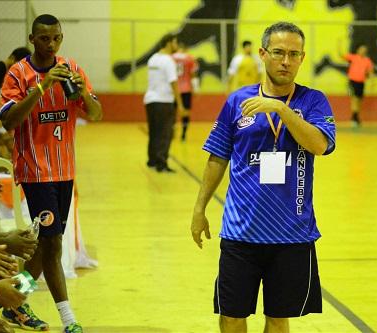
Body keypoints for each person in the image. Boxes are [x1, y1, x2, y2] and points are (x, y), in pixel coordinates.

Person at [191, 22, 336, 333]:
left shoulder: (313, 101)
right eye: (279, 52)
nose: (286, 61)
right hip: (240, 232)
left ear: (302, 58)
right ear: (262, 54)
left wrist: (281, 111)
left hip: (291, 234)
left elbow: (320, 145)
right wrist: (199, 209)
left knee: (278, 317)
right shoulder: (236, 101)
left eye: (293, 54)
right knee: (231, 314)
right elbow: (217, 158)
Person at [0, 14, 102, 333]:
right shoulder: (18, 73)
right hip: (35, 172)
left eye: (56, 38)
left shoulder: (72, 69)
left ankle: (12, 301)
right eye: (44, 38)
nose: (52, 44)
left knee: (45, 247)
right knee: (54, 245)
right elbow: (9, 121)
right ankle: (69, 321)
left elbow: (96, 114)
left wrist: (82, 93)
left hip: (64, 171)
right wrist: (42, 86)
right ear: (33, 39)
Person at [144, 33, 186, 173]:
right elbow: (173, 83)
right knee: (165, 133)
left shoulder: (153, 59)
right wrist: (179, 104)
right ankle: (162, 163)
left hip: (150, 99)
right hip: (164, 101)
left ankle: (152, 160)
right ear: (168, 43)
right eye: (175, 42)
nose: (176, 45)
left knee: (154, 131)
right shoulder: (168, 61)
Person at [341, 43, 373, 127]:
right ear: (358, 50)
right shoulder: (353, 57)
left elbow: (370, 71)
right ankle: (354, 118)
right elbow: (341, 55)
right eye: (361, 49)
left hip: (361, 82)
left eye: (364, 50)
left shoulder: (367, 61)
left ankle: (355, 117)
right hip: (352, 81)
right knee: (354, 98)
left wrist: (372, 80)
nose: (362, 51)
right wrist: (339, 45)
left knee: (359, 100)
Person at [172, 42, 199, 141]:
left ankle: (172, 132)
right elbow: (193, 74)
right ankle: (183, 134)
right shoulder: (190, 58)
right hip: (186, 89)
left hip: (174, 90)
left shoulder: (171, 58)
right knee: (186, 112)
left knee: (173, 111)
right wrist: (195, 89)